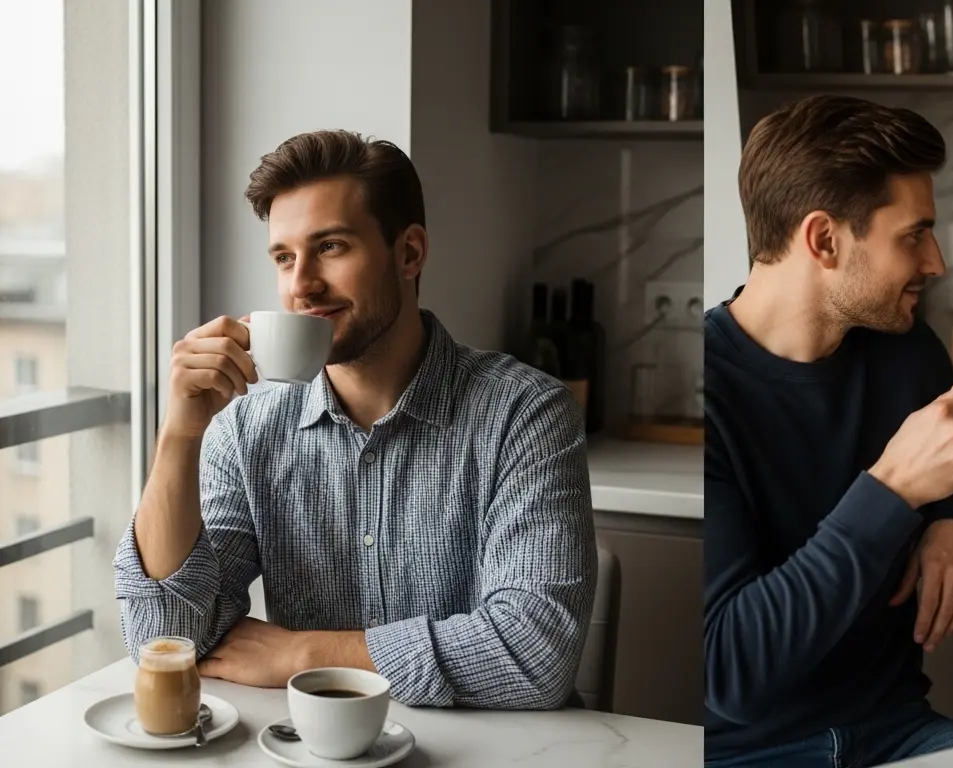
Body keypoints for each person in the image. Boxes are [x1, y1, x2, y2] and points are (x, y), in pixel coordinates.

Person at [113, 130, 597, 709]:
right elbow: (165, 640)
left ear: (410, 253)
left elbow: (536, 653)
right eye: (284, 257)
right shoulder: (245, 430)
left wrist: (302, 655)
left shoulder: (526, 414)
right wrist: (179, 434)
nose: (301, 285)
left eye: (332, 247)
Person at [704, 94, 953, 767]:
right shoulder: (712, 393)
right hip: (749, 753)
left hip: (898, 730)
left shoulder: (908, 350)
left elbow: (948, 449)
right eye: (913, 235)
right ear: (824, 240)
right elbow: (732, 672)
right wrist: (891, 490)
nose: (936, 262)